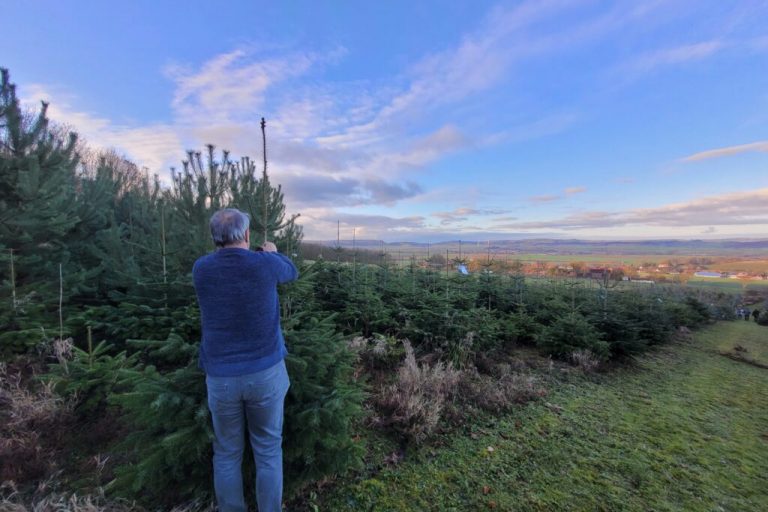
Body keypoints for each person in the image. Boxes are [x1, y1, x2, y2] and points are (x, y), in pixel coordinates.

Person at [192, 208, 298, 512]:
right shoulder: (264, 263)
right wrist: (273, 252)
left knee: (226, 454)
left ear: (214, 238)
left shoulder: (201, 268)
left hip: (221, 377)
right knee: (267, 451)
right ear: (248, 235)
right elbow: (291, 271)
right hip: (265, 373)